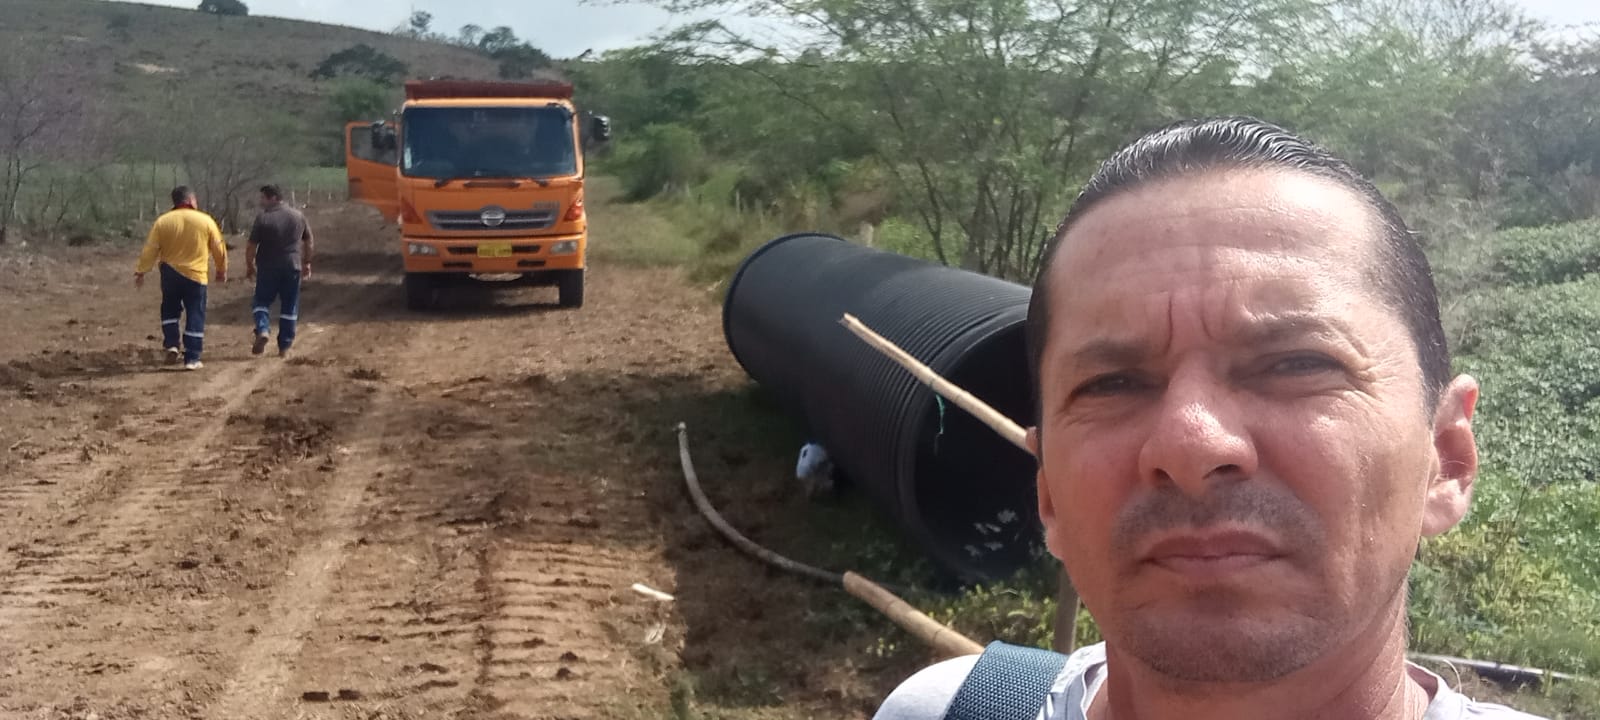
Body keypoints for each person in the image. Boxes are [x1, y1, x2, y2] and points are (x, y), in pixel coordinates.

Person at [874, 117, 1543, 720]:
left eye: (1296, 364)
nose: (1190, 444)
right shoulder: (944, 712)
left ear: (1446, 458)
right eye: (1112, 384)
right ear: (1048, 491)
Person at [135, 186, 227, 371]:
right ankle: (192, 358)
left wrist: (142, 270)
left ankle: (171, 344)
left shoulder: (163, 221)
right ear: (191, 200)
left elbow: (151, 248)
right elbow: (219, 247)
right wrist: (221, 269)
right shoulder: (205, 220)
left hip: (169, 273)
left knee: (169, 309)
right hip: (196, 275)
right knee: (195, 313)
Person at [245, 184, 313, 358]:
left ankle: (263, 329)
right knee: (289, 306)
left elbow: (251, 246)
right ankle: (284, 346)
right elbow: (309, 241)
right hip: (292, 266)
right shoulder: (298, 216)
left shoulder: (263, 218)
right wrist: (307, 262)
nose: (261, 202)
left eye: (263, 198)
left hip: (268, 267)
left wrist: (250, 265)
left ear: (273, 198)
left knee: (260, 302)